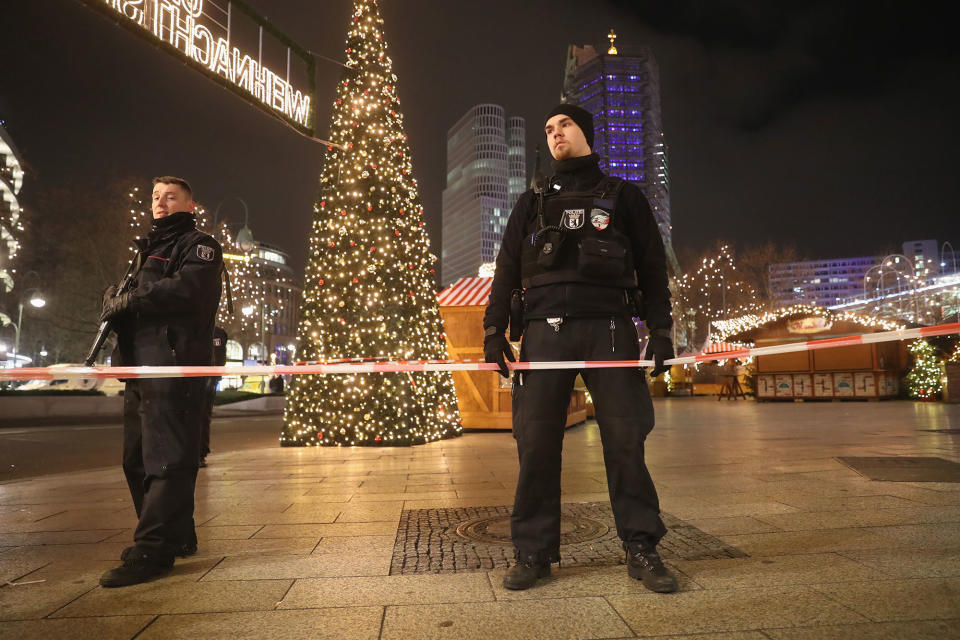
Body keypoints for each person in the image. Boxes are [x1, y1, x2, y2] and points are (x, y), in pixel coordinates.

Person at [483, 104, 677, 592]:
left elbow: (653, 267)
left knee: (625, 440)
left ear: (585, 133)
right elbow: (507, 269)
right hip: (543, 332)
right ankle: (533, 552)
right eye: (548, 129)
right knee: (536, 444)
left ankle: (641, 547)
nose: (554, 134)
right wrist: (493, 332)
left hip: (610, 328)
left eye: (563, 125)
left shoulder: (624, 197)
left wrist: (661, 329)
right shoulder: (530, 203)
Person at [98, 176, 223, 587]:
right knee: (135, 459)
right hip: (140, 367)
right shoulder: (145, 250)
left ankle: (153, 550)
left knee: (167, 458)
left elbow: (188, 290)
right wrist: (114, 301)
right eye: (155, 197)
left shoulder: (199, 245)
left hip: (172, 365)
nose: (161, 203)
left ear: (189, 203)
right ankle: (177, 535)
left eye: (170, 197)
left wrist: (134, 299)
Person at [199, 326, 228, 468]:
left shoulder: (215, 333)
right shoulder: (218, 332)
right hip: (206, 379)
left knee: (201, 417)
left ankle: (200, 452)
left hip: (204, 380)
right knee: (203, 418)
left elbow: (220, 356)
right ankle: (200, 452)